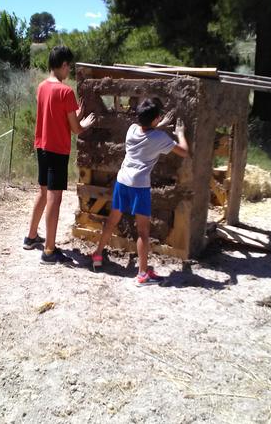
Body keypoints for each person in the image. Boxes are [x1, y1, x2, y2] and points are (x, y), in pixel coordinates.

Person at [91, 98, 189, 286]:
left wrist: (159, 124)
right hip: (139, 186)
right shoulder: (160, 139)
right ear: (154, 120)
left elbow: (147, 132)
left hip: (122, 180)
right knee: (143, 231)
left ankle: (97, 254)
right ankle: (143, 274)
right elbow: (184, 151)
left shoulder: (132, 129)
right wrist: (180, 133)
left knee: (112, 220)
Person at [23, 45, 95, 264]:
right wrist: (86, 122)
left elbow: (57, 115)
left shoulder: (42, 87)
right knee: (55, 198)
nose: (69, 71)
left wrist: (75, 114)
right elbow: (76, 129)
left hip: (42, 147)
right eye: (68, 67)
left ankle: (31, 237)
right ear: (63, 65)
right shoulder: (65, 91)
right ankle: (49, 251)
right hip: (57, 150)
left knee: (43, 193)